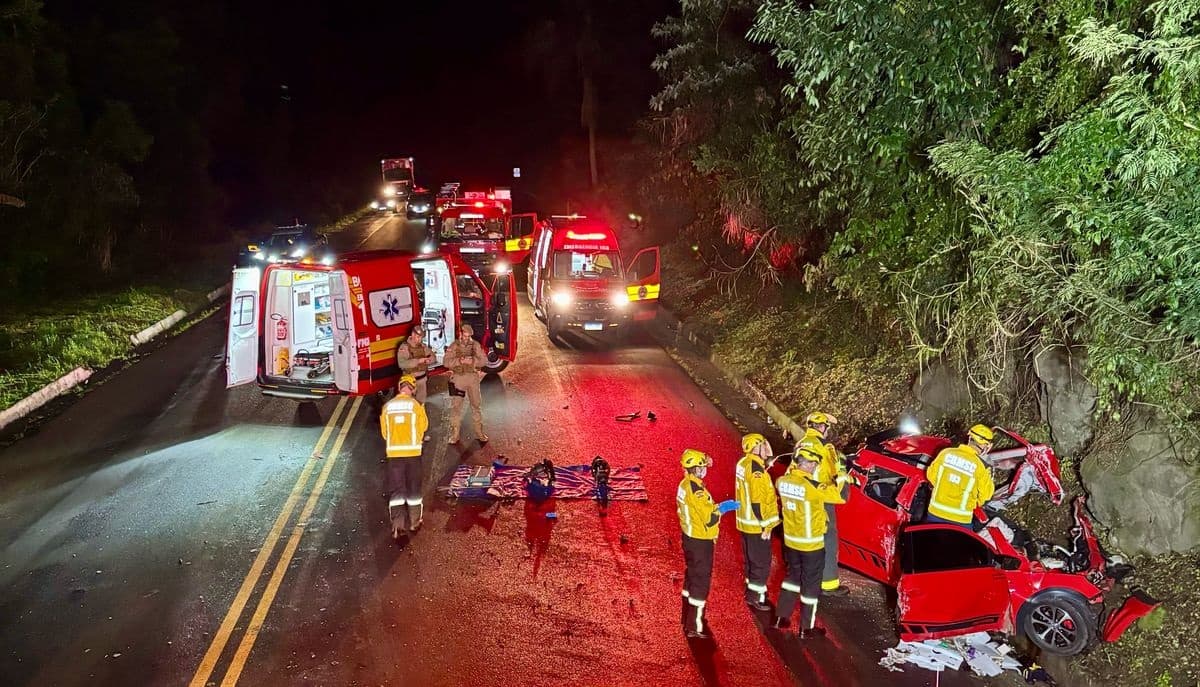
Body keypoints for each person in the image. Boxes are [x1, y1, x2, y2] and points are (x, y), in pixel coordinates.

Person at [773, 447, 849, 639]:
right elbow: (840, 497)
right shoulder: (813, 487)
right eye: (814, 464)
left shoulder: (782, 482)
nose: (815, 468)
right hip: (811, 545)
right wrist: (842, 475)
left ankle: (781, 617)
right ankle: (806, 628)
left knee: (792, 578)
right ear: (807, 464)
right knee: (810, 586)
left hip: (791, 542)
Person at [676, 448, 736, 639]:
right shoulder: (696, 491)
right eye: (703, 467)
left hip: (690, 537)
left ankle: (687, 616)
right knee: (700, 582)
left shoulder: (686, 485)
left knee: (691, 576)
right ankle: (695, 625)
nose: (705, 470)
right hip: (700, 540)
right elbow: (709, 518)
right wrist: (724, 507)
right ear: (697, 469)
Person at [794, 411, 852, 597]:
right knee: (828, 539)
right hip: (822, 497)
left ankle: (805, 578)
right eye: (827, 426)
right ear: (821, 426)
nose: (827, 430)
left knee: (809, 538)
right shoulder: (826, 447)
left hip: (803, 495)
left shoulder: (801, 443)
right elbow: (833, 471)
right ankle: (828, 583)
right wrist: (843, 471)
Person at [734, 433, 780, 611]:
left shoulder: (743, 463)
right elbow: (758, 502)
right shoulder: (757, 471)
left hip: (745, 523)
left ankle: (750, 590)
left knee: (751, 560)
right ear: (755, 448)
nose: (766, 447)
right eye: (762, 444)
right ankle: (756, 597)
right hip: (756, 525)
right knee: (761, 562)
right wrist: (765, 526)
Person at [380, 375, 429, 539]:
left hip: (394, 456)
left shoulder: (387, 407)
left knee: (397, 490)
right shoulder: (416, 406)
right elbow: (423, 428)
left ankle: (397, 525)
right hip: (413, 454)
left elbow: (385, 433)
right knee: (414, 488)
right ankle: (415, 521)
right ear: (413, 389)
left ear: (399, 387)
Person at [925, 423, 996, 529]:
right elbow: (985, 496)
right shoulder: (981, 467)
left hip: (935, 513)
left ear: (969, 437)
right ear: (987, 446)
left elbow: (930, 475)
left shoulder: (945, 453)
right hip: (960, 520)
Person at [445, 323, 488, 444]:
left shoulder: (475, 345)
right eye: (465, 335)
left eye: (469, 336)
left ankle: (479, 433)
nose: (466, 339)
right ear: (460, 334)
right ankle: (455, 434)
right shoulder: (454, 346)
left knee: (476, 405)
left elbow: (484, 360)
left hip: (472, 378)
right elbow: (446, 362)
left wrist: (473, 361)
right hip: (458, 379)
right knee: (456, 407)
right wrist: (460, 361)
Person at [396, 325, 436, 404]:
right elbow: (402, 364)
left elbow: (433, 357)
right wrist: (418, 361)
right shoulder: (404, 348)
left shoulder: (423, 346)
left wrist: (429, 360)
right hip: (409, 382)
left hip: (422, 381)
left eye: (421, 337)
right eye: (418, 337)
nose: (420, 339)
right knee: (408, 404)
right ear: (413, 335)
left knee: (421, 403)